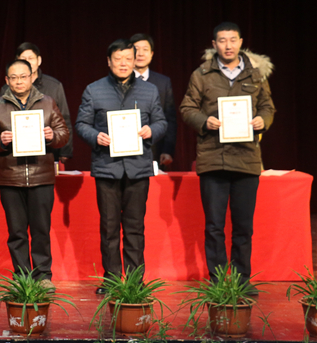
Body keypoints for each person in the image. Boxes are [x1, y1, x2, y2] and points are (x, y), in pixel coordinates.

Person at [179, 22, 275, 293]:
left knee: (244, 226)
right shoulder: (202, 74)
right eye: (222, 40)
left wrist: (263, 120)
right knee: (214, 226)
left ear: (241, 42)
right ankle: (219, 280)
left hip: (246, 159)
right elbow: (187, 108)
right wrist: (204, 121)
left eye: (233, 40)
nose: (228, 45)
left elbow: (268, 106)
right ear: (214, 44)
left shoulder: (256, 73)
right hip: (213, 159)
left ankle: (242, 280)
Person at [75, 39, 166, 294]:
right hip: (107, 167)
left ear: (135, 60)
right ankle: (112, 279)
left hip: (138, 168)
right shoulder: (94, 90)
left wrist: (151, 130)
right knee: (109, 226)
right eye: (118, 59)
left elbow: (161, 122)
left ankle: (135, 281)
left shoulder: (149, 91)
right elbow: (81, 124)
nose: (123, 63)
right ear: (109, 61)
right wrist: (96, 136)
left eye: (128, 58)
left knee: (135, 227)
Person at [0, 59, 69, 289]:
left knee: (41, 230)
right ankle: (22, 277)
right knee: (17, 232)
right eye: (14, 77)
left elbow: (64, 134)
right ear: (7, 80)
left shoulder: (48, 102)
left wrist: (52, 136)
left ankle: (43, 276)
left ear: (32, 77)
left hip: (41, 176)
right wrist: (0, 140)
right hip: (11, 177)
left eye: (23, 76)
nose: (19, 81)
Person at [0, 42, 73, 165]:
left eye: (31, 58)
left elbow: (64, 119)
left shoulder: (54, 86)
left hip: (47, 152)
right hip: (14, 154)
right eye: (23, 59)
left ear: (39, 60)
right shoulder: (7, 89)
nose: (28, 62)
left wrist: (65, 151)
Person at [130, 34, 177, 167]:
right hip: (126, 149)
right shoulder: (121, 81)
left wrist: (168, 150)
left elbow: (169, 119)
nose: (140, 54)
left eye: (145, 49)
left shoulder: (163, 82)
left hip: (155, 150)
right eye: (136, 49)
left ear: (151, 54)